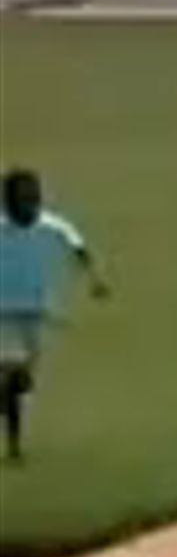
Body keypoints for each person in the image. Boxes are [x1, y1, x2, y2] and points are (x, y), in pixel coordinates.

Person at [0, 162, 104, 468]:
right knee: (14, 374)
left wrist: (95, 279)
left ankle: (8, 404)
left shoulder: (53, 226)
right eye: (19, 199)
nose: (26, 205)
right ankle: (14, 446)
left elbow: (78, 248)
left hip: (37, 312)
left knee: (23, 381)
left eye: (29, 198)